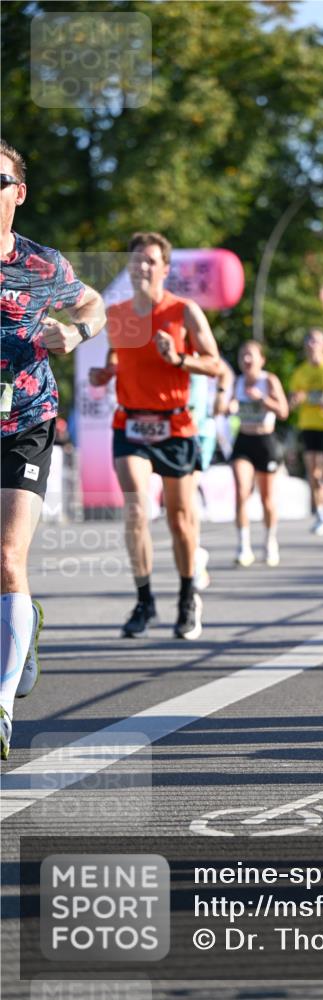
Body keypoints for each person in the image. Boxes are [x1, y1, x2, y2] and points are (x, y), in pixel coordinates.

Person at [1, 140, 106, 760]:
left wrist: (76, 331)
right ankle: (24, 625)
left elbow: (93, 303)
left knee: (8, 555)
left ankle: (3, 704)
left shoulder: (44, 265)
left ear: (19, 192)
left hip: (26, 423)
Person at [89, 232, 223, 639]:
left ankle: (186, 597)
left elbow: (216, 365)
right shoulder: (118, 316)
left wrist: (179, 358)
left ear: (165, 269)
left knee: (181, 521)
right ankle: (145, 600)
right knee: (135, 508)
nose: (142, 267)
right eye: (136, 260)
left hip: (176, 425)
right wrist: (106, 373)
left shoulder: (184, 312)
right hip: (130, 424)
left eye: (150, 261)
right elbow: (117, 359)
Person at [218, 340, 288, 567]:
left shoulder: (268, 381)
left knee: (267, 498)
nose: (246, 360)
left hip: (265, 441)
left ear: (261, 359)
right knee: (241, 491)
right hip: (244, 441)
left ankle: (269, 542)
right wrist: (230, 408)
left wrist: (263, 400)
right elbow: (227, 406)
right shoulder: (237, 382)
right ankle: (243, 546)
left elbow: (284, 411)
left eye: (250, 356)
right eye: (242, 357)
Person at [288, 329, 323, 536]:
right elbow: (293, 398)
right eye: (309, 340)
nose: (312, 345)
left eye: (316, 341)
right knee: (313, 473)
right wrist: (296, 399)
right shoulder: (300, 372)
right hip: (308, 424)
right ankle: (321, 514)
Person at [189, 360, 234, 589]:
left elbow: (223, 370)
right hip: (170, 428)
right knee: (177, 500)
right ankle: (195, 552)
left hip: (200, 429)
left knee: (187, 493)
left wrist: (221, 394)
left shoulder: (196, 340)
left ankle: (195, 556)